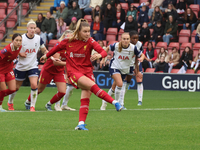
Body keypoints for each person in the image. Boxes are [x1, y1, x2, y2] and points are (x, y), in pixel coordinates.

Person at [40, 19, 123, 130]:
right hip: (73, 72)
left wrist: (99, 56)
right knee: (93, 86)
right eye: (85, 31)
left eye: (89, 31)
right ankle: (114, 102)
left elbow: (103, 51)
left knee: (86, 97)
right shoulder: (68, 41)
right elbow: (55, 48)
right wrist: (46, 56)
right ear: (79, 31)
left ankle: (80, 124)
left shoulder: (90, 41)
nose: (88, 34)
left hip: (87, 71)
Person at [25, 30, 74, 111]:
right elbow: (56, 62)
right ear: (64, 37)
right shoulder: (59, 45)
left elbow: (66, 61)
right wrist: (69, 63)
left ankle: (49, 104)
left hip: (59, 71)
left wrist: (67, 74)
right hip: (48, 69)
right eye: (68, 37)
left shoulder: (71, 48)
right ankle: (28, 101)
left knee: (62, 92)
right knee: (40, 89)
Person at [8, 20, 48, 112]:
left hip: (33, 65)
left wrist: (47, 54)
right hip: (21, 66)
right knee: (16, 87)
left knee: (34, 85)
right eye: (31, 28)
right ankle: (10, 102)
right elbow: (13, 50)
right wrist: (19, 54)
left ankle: (32, 106)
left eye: (34, 28)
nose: (33, 30)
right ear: (27, 28)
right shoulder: (21, 38)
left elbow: (44, 49)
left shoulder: (38, 38)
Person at [100, 32, 144, 110]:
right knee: (120, 84)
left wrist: (142, 58)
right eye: (124, 39)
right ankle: (118, 104)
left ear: (129, 40)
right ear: (121, 39)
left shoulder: (133, 48)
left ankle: (104, 102)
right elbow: (107, 48)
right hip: (115, 67)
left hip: (124, 70)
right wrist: (103, 59)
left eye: (127, 39)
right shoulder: (116, 46)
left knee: (113, 88)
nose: (125, 40)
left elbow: (141, 54)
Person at [118, 30, 145, 107]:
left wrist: (137, 69)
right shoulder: (123, 44)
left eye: (137, 38)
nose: (135, 40)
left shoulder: (139, 44)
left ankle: (140, 100)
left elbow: (138, 56)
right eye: (133, 38)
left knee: (139, 78)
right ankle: (121, 102)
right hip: (126, 64)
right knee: (125, 83)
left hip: (135, 62)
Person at [0, 34, 22, 112]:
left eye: (20, 40)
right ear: (12, 41)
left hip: (9, 69)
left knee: (13, 89)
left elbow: (16, 53)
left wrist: (20, 54)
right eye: (17, 40)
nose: (18, 42)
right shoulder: (6, 50)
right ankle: (0, 107)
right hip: (1, 70)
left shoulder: (20, 47)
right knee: (3, 90)